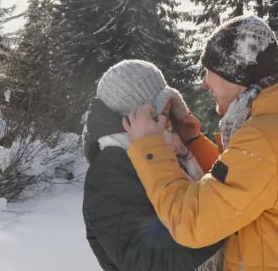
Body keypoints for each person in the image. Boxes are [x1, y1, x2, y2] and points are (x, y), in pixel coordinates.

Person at [122, 15, 278, 271]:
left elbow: (193, 222)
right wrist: (193, 142)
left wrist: (149, 145)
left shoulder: (265, 138)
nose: (204, 82)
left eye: (208, 70)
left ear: (232, 72)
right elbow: (242, 190)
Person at [82, 59, 224, 271]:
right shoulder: (110, 171)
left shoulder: (166, 149)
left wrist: (192, 144)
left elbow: (211, 186)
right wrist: (224, 220)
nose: (169, 119)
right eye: (163, 110)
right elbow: (148, 261)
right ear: (136, 115)